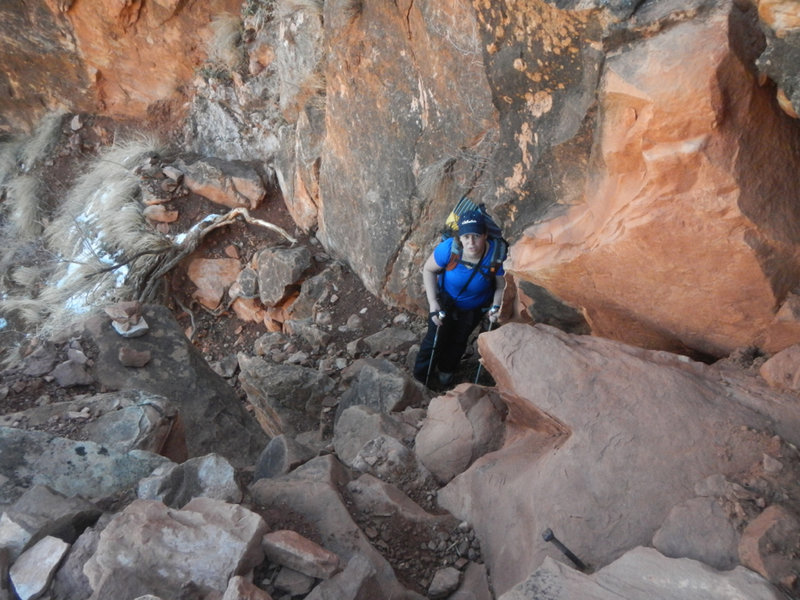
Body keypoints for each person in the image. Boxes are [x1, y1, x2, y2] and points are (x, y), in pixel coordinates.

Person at [413, 209, 505, 387]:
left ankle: (446, 374)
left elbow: (501, 286)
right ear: (459, 238)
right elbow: (428, 269)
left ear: (485, 235)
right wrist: (433, 303)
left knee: (458, 340)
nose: (471, 242)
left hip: (473, 308)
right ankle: (420, 380)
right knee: (434, 339)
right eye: (466, 237)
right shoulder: (449, 249)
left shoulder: (495, 257)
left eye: (476, 236)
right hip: (445, 301)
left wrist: (495, 306)